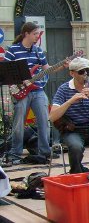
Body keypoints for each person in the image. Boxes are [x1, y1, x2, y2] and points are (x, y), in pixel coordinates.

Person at [3, 22, 67, 164]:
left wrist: (62, 66)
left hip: (37, 90)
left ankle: (44, 151)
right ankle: (15, 153)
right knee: (19, 123)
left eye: (38, 34)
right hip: (21, 91)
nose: (38, 36)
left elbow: (47, 68)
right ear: (27, 34)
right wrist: (15, 85)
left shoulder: (38, 51)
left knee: (45, 120)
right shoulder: (13, 50)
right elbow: (5, 70)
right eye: (35, 34)